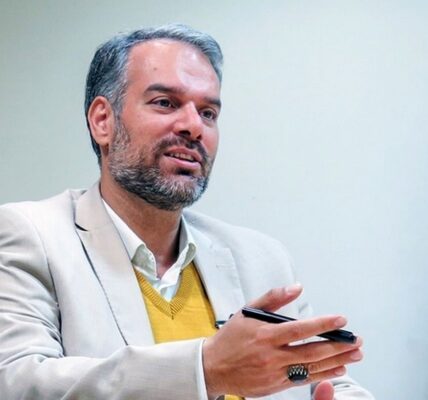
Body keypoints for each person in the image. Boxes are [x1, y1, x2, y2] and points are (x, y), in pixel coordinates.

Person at [0, 24, 374, 400]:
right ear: (103, 121)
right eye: (165, 103)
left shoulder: (262, 257)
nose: (194, 127)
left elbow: (321, 378)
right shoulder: (31, 235)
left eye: (208, 113)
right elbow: (17, 383)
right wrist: (205, 372)